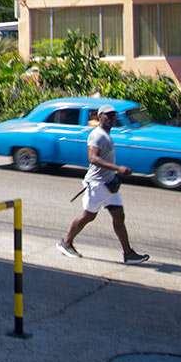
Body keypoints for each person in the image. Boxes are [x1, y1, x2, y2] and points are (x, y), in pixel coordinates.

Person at [57, 105, 150, 264]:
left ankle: (128, 253)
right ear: (100, 117)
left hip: (108, 183)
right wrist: (118, 168)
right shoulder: (98, 135)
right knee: (88, 216)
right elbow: (92, 158)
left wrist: (114, 173)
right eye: (107, 115)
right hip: (97, 183)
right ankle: (66, 242)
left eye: (113, 116)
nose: (111, 118)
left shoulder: (106, 134)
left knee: (119, 216)